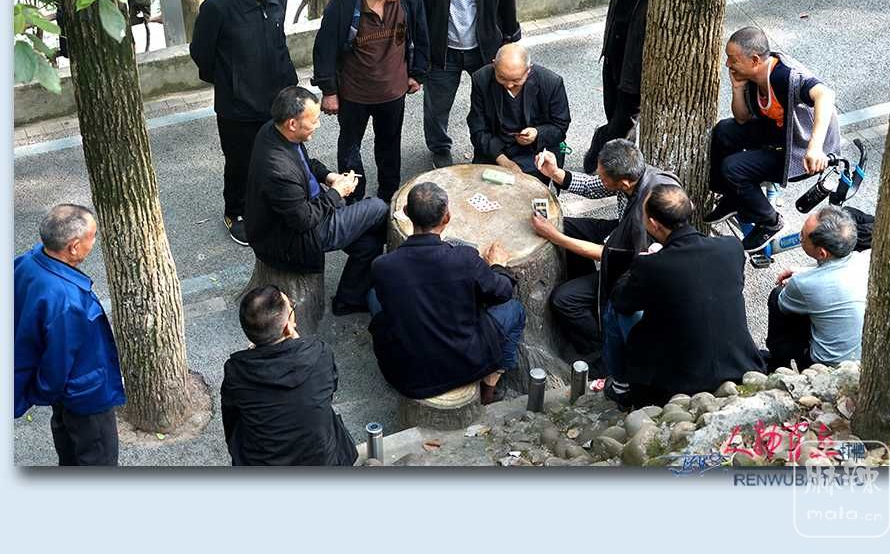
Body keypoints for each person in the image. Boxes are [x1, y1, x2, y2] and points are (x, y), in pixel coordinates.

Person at [369, 182, 526, 404]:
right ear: (447, 217)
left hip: (408, 378)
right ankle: (492, 381)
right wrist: (497, 267)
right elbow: (503, 292)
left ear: (406, 212)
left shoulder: (382, 266)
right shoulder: (465, 258)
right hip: (470, 364)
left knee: (374, 296)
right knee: (515, 309)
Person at [609, 185, 766, 408]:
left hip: (678, 383)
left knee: (616, 310)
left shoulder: (652, 266)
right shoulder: (731, 247)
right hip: (741, 365)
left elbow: (621, 300)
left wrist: (643, 262)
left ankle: (621, 386)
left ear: (653, 224)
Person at [531, 139, 679, 372]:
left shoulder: (646, 217)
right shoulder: (635, 175)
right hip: (619, 234)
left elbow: (610, 256)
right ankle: (584, 283)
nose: (599, 178)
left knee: (564, 299)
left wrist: (555, 236)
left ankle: (600, 349)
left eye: (603, 176)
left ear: (624, 182)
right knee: (566, 225)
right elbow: (594, 186)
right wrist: (556, 173)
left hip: (632, 267)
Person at [190, 0, 298, 246]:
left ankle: (275, 204)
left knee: (280, 154)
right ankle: (235, 212)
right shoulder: (219, 5)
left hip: (277, 95)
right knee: (241, 163)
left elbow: (278, 38)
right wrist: (232, 81)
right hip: (238, 105)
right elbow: (201, 53)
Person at [244, 86, 388, 316]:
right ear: (292, 123)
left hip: (311, 208)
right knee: (378, 207)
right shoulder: (278, 169)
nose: (319, 125)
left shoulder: (274, 131)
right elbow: (303, 220)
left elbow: (307, 163)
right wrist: (337, 192)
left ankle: (348, 300)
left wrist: (329, 177)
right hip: (298, 235)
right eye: (314, 120)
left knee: (368, 244)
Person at [705, 26, 841, 252]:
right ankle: (732, 197)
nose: (728, 64)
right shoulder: (751, 77)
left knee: (733, 168)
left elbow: (825, 95)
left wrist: (815, 147)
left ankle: (770, 221)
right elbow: (741, 118)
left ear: (755, 60)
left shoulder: (785, 76)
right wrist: (737, 89)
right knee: (723, 131)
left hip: (799, 151)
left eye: (733, 59)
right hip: (776, 134)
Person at [312, 0, 430, 203]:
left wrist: (417, 73)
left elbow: (421, 35)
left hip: (393, 91)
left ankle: (388, 196)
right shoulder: (344, 2)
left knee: (390, 145)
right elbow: (324, 48)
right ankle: (353, 196)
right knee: (350, 148)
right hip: (354, 93)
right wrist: (329, 91)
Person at [14, 204, 126, 466]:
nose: (94, 241)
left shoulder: (25, 263)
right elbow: (57, 366)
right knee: (98, 460)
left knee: (68, 449)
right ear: (74, 247)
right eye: (93, 236)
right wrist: (44, 391)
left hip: (64, 398)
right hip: (86, 396)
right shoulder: (68, 302)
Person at [413, 0, 521, 168]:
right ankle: (439, 147)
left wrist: (510, 41)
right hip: (443, 49)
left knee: (493, 101)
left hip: (485, 47)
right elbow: (419, 10)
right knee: (437, 105)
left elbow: (507, 1)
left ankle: (494, 148)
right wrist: (420, 55)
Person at [220, 286, 358, 466]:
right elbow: (329, 390)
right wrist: (299, 346)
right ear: (287, 326)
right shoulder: (319, 353)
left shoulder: (236, 371)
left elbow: (231, 421)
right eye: (291, 308)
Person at [583, 0, 655, 173]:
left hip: (633, 71)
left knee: (621, 124)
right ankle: (607, 155)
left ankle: (601, 163)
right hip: (613, 58)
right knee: (612, 114)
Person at [765, 205, 869, 371]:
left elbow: (784, 305)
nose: (799, 238)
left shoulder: (803, 284)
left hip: (824, 365)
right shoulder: (863, 259)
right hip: (861, 358)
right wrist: (805, 271)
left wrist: (800, 279)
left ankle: (779, 360)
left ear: (821, 253)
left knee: (777, 295)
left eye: (802, 236)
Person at [466, 43, 571, 182]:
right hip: (495, 148)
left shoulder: (551, 82)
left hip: (534, 152)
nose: (509, 85)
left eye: (516, 80)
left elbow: (560, 126)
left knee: (531, 190)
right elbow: (477, 127)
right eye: (502, 78)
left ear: (528, 70)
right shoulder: (481, 79)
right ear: (494, 65)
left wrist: (537, 133)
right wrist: (502, 160)